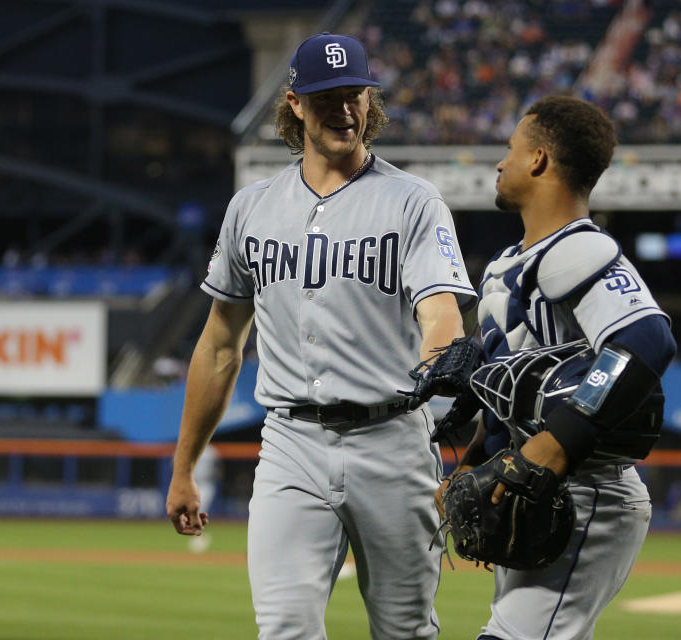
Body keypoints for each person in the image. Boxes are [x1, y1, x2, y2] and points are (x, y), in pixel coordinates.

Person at [165, 32, 476, 640]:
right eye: (326, 96)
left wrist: (443, 355)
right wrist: (184, 467)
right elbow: (221, 345)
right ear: (295, 105)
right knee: (282, 626)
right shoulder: (250, 208)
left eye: (354, 93)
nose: (344, 109)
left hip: (392, 438)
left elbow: (439, 310)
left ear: (370, 99)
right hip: (291, 442)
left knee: (405, 629)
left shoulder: (414, 202)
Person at [436, 95, 677, 639]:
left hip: (584, 489)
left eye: (510, 150)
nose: (500, 163)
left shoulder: (578, 249)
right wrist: (475, 461)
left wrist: (560, 441)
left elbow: (645, 341)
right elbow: (506, 385)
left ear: (539, 160)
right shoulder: (508, 264)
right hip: (527, 487)